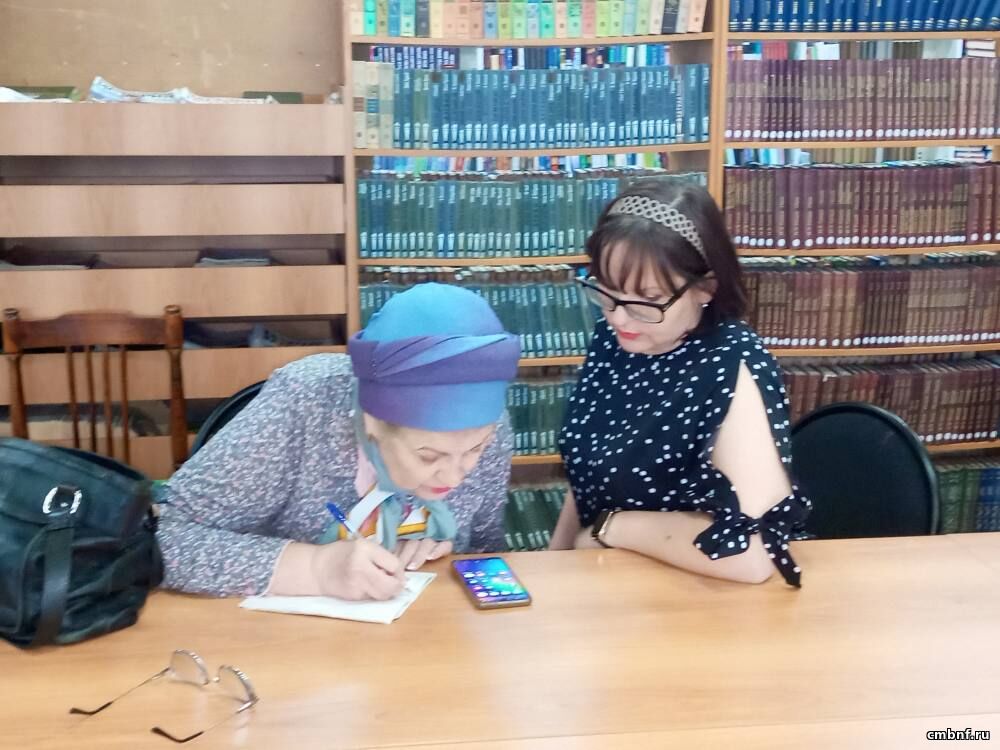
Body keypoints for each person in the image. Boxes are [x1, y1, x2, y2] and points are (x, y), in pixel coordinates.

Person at [157, 283, 521, 600]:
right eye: (429, 456)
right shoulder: (302, 404)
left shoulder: (492, 428)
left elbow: (484, 547)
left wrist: (438, 551)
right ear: (371, 421)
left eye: (475, 450)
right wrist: (315, 567)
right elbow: (164, 536)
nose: (456, 476)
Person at [550, 180, 811, 587]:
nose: (618, 317)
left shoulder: (733, 364)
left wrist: (610, 527)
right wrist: (553, 564)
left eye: (648, 299)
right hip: (612, 582)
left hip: (702, 596)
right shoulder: (617, 337)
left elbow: (750, 554)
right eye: (606, 290)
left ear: (705, 288)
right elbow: (591, 473)